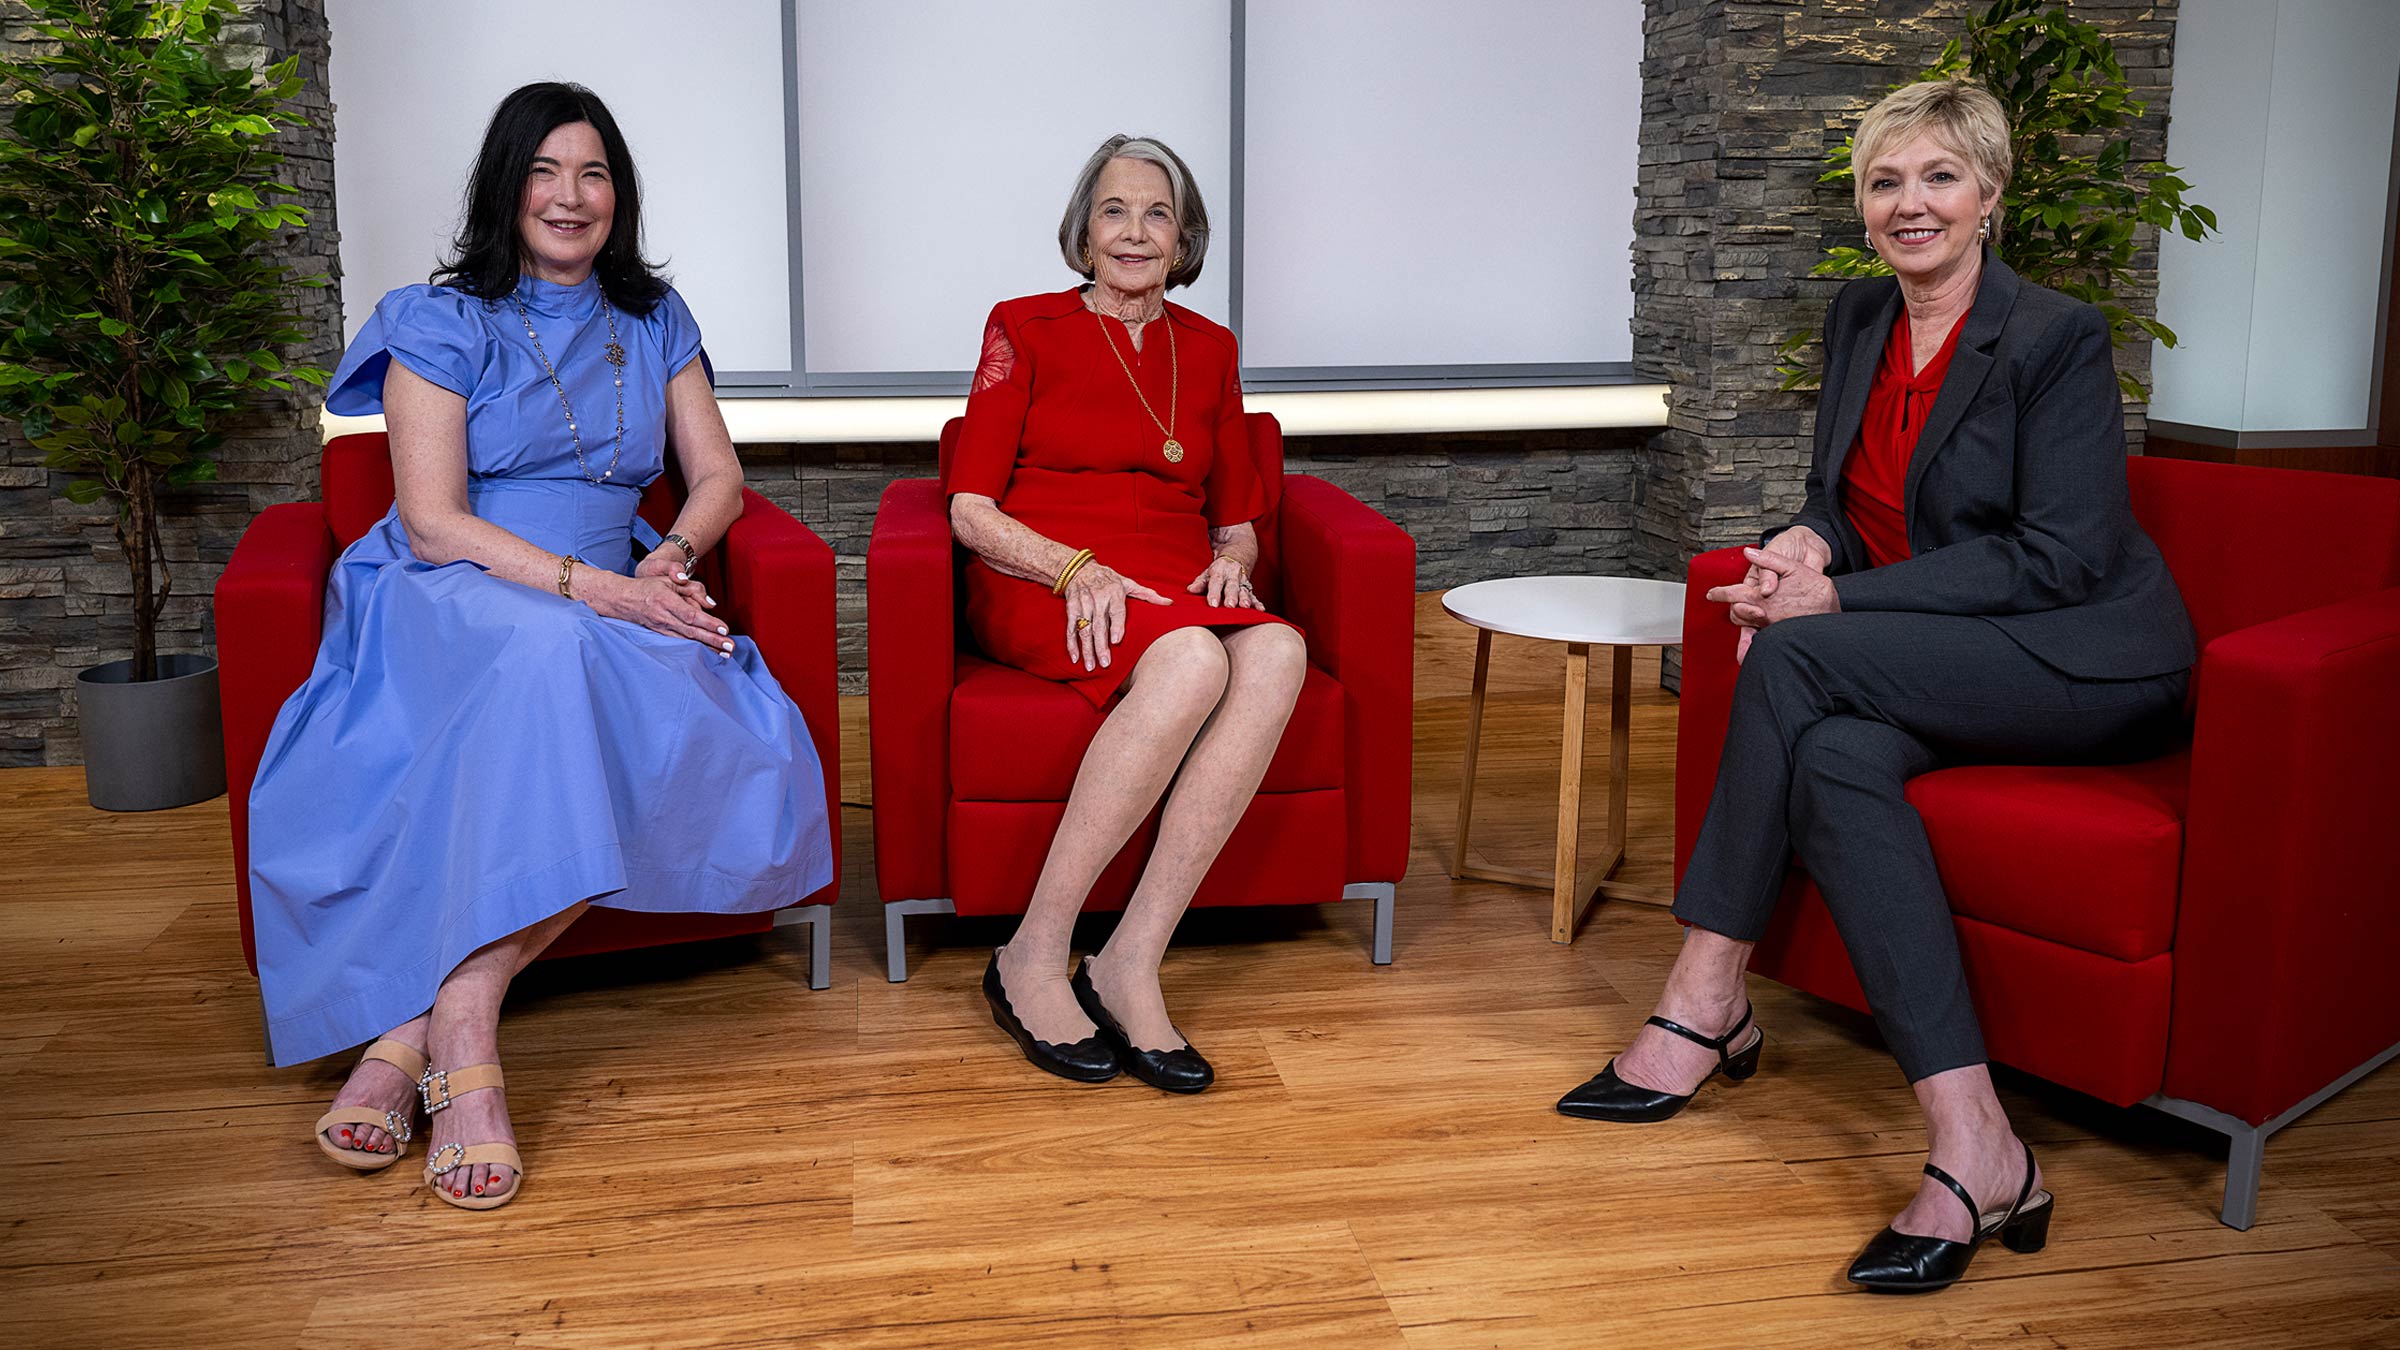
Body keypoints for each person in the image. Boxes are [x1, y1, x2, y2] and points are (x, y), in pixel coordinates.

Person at [1553, 80, 2195, 1292]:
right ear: (1862, 206)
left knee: (1792, 655)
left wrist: (1830, 604)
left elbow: (2057, 559)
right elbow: (1847, 506)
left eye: (1940, 178)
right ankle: (1978, 1142)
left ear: (1991, 198)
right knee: (1838, 759)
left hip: (2083, 654)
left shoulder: (2054, 338)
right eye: (1887, 181)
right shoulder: (1860, 321)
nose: (1912, 205)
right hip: (1943, 649)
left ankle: (1703, 1002)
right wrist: (1806, 548)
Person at [251, 82, 833, 1210]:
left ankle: (436, 1020)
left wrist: (671, 558)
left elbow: (717, 477)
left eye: (595, 174)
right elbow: (431, 519)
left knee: (676, 703)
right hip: (456, 587)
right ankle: (462, 1044)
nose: (571, 197)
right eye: (546, 172)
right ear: (504, 186)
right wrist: (600, 592)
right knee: (551, 656)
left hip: (614, 583)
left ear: (620, 194)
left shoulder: (656, 319)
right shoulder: (438, 319)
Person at [948, 135, 1310, 1094]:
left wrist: (1235, 563)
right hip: (1045, 573)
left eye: (1158, 213)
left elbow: (1236, 522)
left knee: (1277, 652)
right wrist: (1070, 569)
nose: (1136, 231)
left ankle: (1129, 961)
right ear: (1084, 228)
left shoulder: (1212, 348)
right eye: (1115, 210)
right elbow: (970, 510)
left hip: (1171, 577)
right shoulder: (1021, 327)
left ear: (1183, 234)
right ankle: (1033, 953)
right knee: (1193, 661)